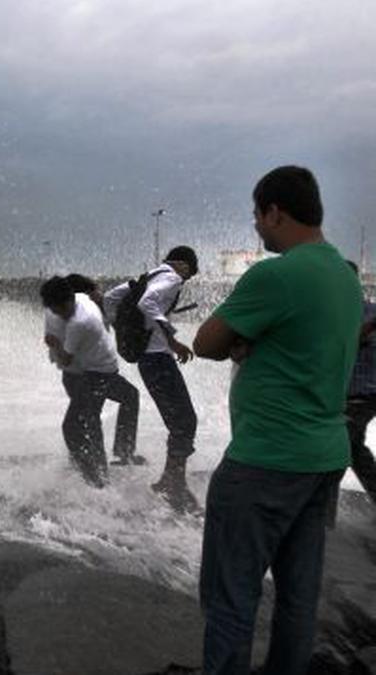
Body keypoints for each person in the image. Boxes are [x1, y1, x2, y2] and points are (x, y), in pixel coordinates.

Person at [193, 166, 360, 674]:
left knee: (229, 597)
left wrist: (245, 341)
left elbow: (205, 343)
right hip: (324, 456)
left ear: (276, 212)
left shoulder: (276, 274)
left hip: (266, 459)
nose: (257, 229)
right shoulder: (344, 277)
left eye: (257, 217)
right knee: (297, 595)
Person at [104, 246, 201, 511]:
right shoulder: (171, 277)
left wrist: (122, 330)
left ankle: (170, 481)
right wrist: (171, 338)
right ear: (183, 265)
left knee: (179, 421)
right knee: (186, 421)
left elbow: (111, 298)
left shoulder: (148, 275)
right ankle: (173, 485)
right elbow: (147, 303)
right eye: (189, 274)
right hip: (158, 358)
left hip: (147, 361)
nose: (186, 280)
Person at [41, 276, 140, 487]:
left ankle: (102, 466)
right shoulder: (65, 313)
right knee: (85, 423)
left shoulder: (81, 318)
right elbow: (64, 355)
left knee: (121, 401)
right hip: (80, 374)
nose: (59, 314)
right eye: (55, 309)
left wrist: (55, 345)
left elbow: (63, 352)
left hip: (97, 372)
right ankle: (96, 477)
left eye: (62, 310)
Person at [64, 273, 145, 466]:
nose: (101, 294)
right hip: (86, 376)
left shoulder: (93, 310)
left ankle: (120, 452)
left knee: (128, 396)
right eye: (96, 290)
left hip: (95, 375)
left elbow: (123, 296)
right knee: (89, 418)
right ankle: (95, 467)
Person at [343, 261, 376, 504]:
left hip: (363, 396)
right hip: (345, 397)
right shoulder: (334, 313)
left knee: (337, 450)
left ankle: (318, 517)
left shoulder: (369, 313)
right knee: (353, 450)